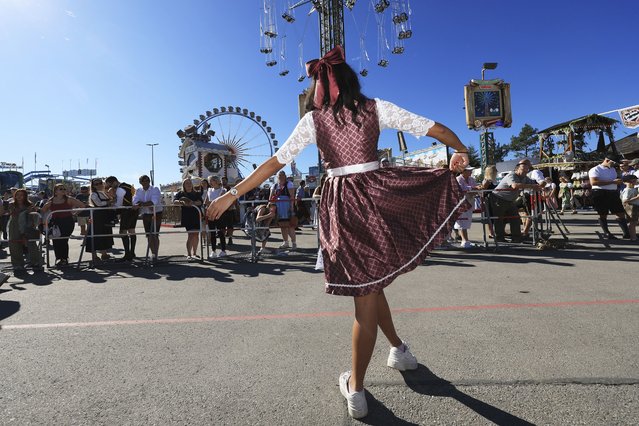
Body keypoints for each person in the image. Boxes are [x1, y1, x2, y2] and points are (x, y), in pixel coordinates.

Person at [207, 45, 469, 419]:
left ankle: (357, 389)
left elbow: (274, 162)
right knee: (372, 284)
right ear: (350, 80)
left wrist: (233, 194)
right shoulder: (376, 107)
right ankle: (399, 350)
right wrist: (460, 151)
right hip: (378, 195)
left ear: (320, 85)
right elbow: (436, 128)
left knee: (365, 296)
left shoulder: (313, 122)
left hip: (343, 205)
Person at [490, 160, 546, 243]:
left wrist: (542, 183)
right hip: (498, 198)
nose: (525, 172)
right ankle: (499, 238)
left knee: (516, 218)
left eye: (527, 170)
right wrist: (533, 186)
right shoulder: (511, 175)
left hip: (510, 200)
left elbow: (534, 183)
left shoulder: (524, 178)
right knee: (499, 218)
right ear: (517, 169)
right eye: (523, 170)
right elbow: (514, 186)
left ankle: (516, 237)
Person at [40, 183, 85, 268]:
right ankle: (58, 258)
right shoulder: (51, 200)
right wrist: (46, 206)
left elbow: (82, 205)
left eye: (64, 189)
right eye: (61, 189)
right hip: (55, 223)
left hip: (67, 221)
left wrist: (75, 213)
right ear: (55, 191)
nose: (63, 190)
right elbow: (43, 210)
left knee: (63, 240)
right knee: (55, 240)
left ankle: (64, 258)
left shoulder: (69, 199)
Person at [588, 156, 629, 239]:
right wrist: (612, 182)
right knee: (603, 213)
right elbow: (593, 182)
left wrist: (618, 182)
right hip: (600, 193)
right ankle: (607, 233)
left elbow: (614, 180)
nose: (615, 164)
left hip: (613, 192)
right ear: (607, 160)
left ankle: (626, 233)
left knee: (620, 212)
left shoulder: (612, 169)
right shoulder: (595, 169)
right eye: (613, 162)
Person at [7, 189, 42, 273]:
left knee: (31, 243)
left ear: (25, 196)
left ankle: (35, 262)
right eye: (17, 195)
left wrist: (33, 210)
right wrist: (26, 211)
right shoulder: (12, 204)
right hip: (15, 225)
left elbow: (35, 215)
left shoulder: (30, 204)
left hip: (28, 225)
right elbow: (13, 213)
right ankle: (17, 264)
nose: (19, 197)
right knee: (14, 244)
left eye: (21, 195)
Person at [105, 176, 138, 261]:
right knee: (132, 231)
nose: (111, 187)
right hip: (134, 211)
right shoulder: (128, 186)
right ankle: (132, 252)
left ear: (114, 182)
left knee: (122, 232)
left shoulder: (120, 189)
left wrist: (111, 206)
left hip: (126, 211)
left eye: (111, 185)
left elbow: (119, 204)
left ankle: (127, 254)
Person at [132, 175, 163, 260]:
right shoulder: (138, 190)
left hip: (156, 213)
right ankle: (153, 254)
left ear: (149, 181)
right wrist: (141, 204)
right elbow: (135, 201)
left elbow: (154, 201)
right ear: (140, 182)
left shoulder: (155, 189)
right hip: (145, 214)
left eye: (147, 180)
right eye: (143, 181)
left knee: (155, 235)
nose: (145, 182)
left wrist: (141, 204)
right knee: (149, 235)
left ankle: (155, 254)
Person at [85, 178, 115, 261]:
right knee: (96, 234)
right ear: (93, 186)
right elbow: (99, 204)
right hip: (97, 216)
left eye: (100, 183)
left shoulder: (104, 193)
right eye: (96, 184)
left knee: (104, 233)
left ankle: (104, 253)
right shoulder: (94, 194)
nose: (99, 185)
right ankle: (94, 256)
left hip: (105, 216)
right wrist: (109, 202)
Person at [173, 178, 203, 260]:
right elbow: (174, 201)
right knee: (190, 235)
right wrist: (181, 202)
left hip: (196, 215)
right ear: (184, 185)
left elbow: (200, 202)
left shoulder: (196, 193)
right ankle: (189, 254)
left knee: (196, 235)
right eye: (187, 183)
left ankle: (195, 253)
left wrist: (192, 203)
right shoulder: (180, 193)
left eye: (190, 183)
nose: (189, 184)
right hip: (187, 216)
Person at [270, 170, 298, 250]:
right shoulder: (274, 186)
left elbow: (292, 196)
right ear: (277, 177)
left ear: (285, 176)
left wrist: (292, 207)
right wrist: (270, 207)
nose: (281, 176)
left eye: (283, 175)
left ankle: (294, 243)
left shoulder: (289, 184)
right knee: (282, 226)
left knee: (290, 225)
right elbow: (270, 197)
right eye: (279, 175)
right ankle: (285, 242)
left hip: (287, 206)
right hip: (278, 207)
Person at [454, 166, 479, 248]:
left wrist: (473, 190)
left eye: (471, 170)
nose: (471, 171)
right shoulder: (458, 179)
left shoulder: (472, 179)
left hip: (470, 202)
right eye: (469, 170)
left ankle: (465, 240)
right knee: (462, 222)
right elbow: (460, 189)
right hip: (461, 203)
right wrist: (472, 189)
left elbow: (476, 189)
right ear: (463, 171)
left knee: (466, 222)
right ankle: (464, 241)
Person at [204, 175, 228, 259]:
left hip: (220, 213)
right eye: (210, 181)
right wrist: (212, 203)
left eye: (212, 180)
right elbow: (206, 202)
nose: (210, 182)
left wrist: (212, 203)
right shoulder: (209, 190)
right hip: (211, 213)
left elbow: (220, 201)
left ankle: (223, 250)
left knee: (221, 232)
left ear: (216, 181)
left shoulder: (223, 190)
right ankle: (213, 250)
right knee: (212, 233)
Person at [621, 174, 639, 241]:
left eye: (635, 181)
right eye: (633, 181)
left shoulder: (632, 189)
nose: (635, 182)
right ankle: (633, 237)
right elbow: (625, 200)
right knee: (632, 222)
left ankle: (633, 235)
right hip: (631, 207)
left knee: (633, 222)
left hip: (634, 206)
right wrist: (636, 197)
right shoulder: (628, 190)